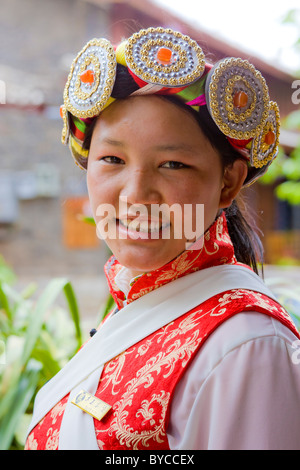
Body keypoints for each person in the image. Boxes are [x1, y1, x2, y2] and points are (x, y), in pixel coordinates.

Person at [25, 27, 300, 450]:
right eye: (112, 159)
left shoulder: (247, 346)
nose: (135, 195)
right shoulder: (133, 309)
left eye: (172, 164)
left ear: (229, 183)